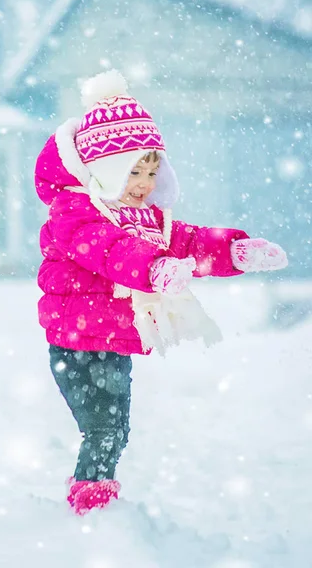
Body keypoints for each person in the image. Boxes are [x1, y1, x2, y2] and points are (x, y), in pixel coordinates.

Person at [34, 70, 287, 515]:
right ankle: (91, 507)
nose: (145, 184)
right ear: (105, 168)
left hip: (112, 339)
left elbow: (185, 241)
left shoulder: (144, 217)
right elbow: (108, 251)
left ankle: (90, 495)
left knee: (116, 427)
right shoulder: (75, 211)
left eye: (153, 171)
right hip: (73, 341)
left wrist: (235, 250)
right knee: (104, 427)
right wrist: (153, 267)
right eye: (135, 171)